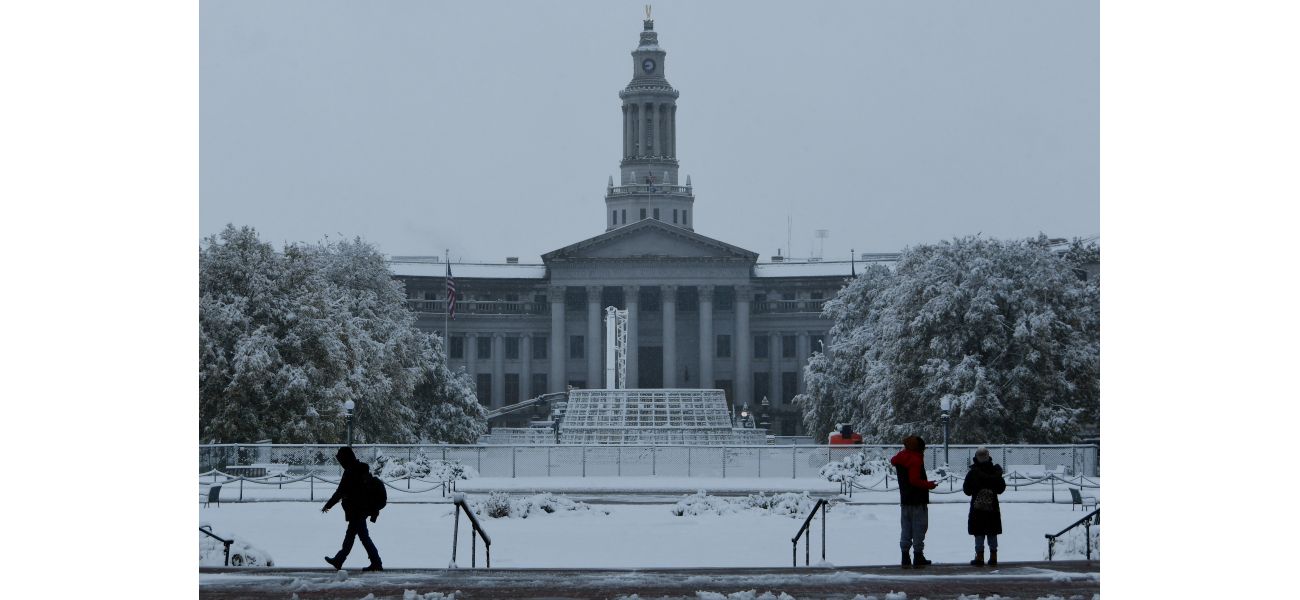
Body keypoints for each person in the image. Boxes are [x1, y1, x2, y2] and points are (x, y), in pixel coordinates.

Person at [322, 447, 383, 571]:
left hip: (357, 510)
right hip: (361, 509)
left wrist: (328, 505)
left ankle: (342, 560)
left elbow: (340, 491)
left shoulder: (351, 471)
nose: (340, 462)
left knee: (354, 537)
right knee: (360, 537)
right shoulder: (360, 469)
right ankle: (374, 562)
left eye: (341, 459)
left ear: (345, 458)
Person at [890, 435, 938, 568]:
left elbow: (894, 462)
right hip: (918, 499)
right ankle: (918, 555)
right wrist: (929, 485)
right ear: (918, 448)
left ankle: (905, 556)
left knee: (906, 528)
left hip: (905, 499)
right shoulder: (915, 459)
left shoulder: (900, 457)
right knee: (919, 528)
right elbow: (914, 481)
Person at [962, 447, 1007, 566]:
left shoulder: (973, 472)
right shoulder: (995, 471)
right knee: (992, 531)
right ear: (988, 457)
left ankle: (980, 556)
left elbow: (966, 490)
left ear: (976, 457)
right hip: (992, 507)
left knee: (979, 532)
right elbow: (1001, 488)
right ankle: (993, 555)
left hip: (977, 508)